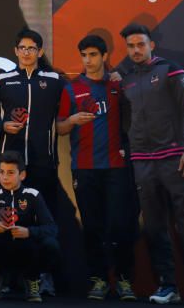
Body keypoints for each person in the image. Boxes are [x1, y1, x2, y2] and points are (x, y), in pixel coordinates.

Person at [118, 24, 184, 307]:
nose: (135, 50)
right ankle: (167, 285)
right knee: (154, 227)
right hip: (142, 163)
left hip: (175, 159)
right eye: (130, 46)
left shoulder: (171, 70)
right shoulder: (127, 80)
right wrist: (131, 146)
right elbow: (127, 119)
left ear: (151, 45)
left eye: (140, 45)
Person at [0, 28, 65, 295]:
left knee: (41, 222)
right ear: (16, 51)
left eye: (32, 48)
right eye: (22, 48)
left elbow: (77, 100)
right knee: (5, 220)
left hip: (43, 163)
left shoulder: (54, 80)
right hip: (9, 166)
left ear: (40, 52)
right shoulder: (3, 80)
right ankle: (6, 276)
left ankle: (42, 276)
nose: (27, 53)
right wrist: (2, 126)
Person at [57, 35, 137, 301]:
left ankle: (124, 280)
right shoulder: (72, 88)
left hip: (116, 168)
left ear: (104, 56)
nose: (88, 60)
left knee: (120, 226)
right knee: (92, 227)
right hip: (85, 168)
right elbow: (59, 128)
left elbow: (134, 117)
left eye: (92, 55)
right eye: (83, 55)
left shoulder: (117, 85)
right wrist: (72, 120)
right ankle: (99, 280)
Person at [0, 151, 60, 302]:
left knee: (51, 245)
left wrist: (28, 232)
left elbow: (52, 228)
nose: (5, 177)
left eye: (11, 173)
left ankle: (31, 280)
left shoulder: (32, 195)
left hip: (25, 250)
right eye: (1, 172)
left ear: (22, 175)